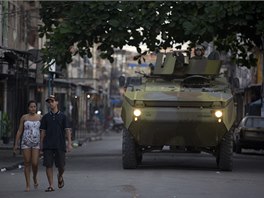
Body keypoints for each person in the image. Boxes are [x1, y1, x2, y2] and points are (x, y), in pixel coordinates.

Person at [40, 95, 72, 192]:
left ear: (57, 102)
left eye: (52, 101)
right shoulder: (45, 117)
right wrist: (41, 144)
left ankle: (60, 176)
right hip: (48, 144)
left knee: (61, 166)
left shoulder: (63, 116)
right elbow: (43, 132)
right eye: (49, 102)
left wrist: (69, 143)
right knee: (48, 165)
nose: (51, 103)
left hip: (60, 144)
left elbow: (67, 131)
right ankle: (51, 185)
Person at [13, 100, 42, 192]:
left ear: (36, 108)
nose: (33, 108)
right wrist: (16, 144)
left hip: (36, 143)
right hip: (26, 143)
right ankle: (28, 184)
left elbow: (43, 131)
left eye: (34, 107)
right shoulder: (24, 117)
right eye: (31, 107)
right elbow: (19, 131)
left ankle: (34, 177)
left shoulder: (40, 117)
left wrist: (43, 143)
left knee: (35, 163)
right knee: (27, 163)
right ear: (28, 108)